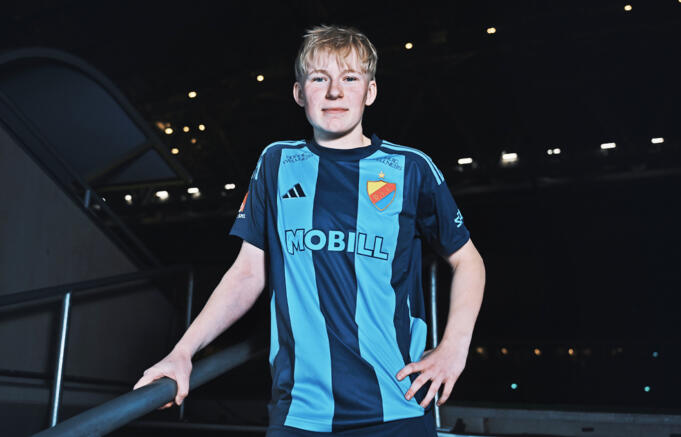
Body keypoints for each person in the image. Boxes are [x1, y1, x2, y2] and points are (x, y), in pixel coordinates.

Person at [133, 25, 485, 436]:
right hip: (298, 413)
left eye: (350, 78)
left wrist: (454, 347)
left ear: (370, 91)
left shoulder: (411, 168)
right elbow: (247, 273)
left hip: (397, 405)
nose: (334, 92)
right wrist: (182, 352)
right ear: (300, 93)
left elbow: (468, 261)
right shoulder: (276, 163)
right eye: (319, 79)